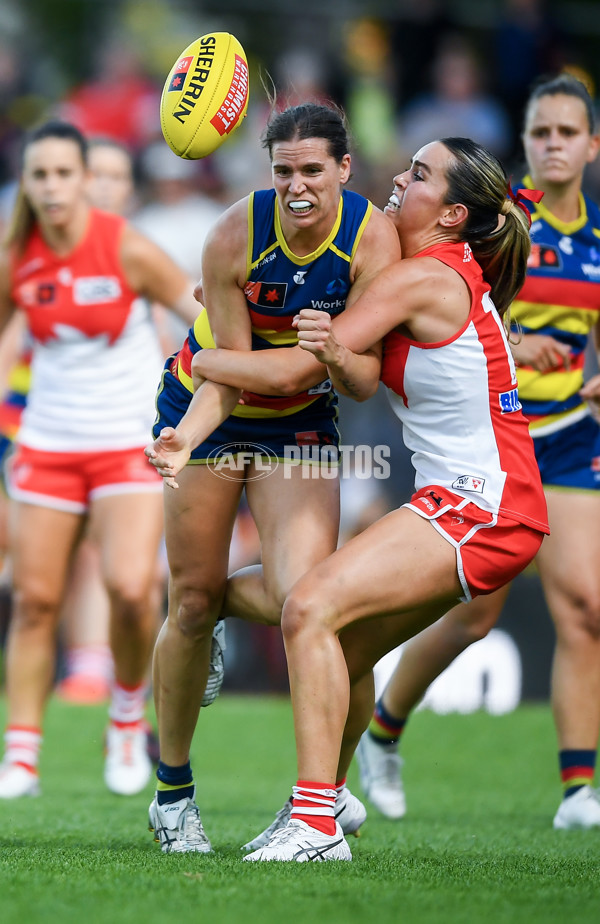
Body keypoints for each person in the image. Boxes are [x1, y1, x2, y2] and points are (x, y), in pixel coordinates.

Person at [241, 135, 549, 862]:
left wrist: (202, 358)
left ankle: (314, 825)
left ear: (448, 215)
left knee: (309, 606)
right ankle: (329, 800)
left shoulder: (423, 277)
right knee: (339, 641)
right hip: (488, 505)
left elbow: (295, 371)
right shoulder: (430, 271)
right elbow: (346, 359)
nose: (400, 179)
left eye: (419, 174)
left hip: (479, 505)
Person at [144, 101, 401, 853]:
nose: (297, 186)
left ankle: (317, 800)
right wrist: (184, 437)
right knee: (187, 603)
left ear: (344, 170)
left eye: (313, 171)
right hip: (211, 409)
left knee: (303, 600)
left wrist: (331, 354)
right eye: (283, 171)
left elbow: (361, 384)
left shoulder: (370, 239)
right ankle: (172, 795)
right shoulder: (232, 235)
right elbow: (224, 376)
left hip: (300, 422)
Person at [354, 73, 600, 832]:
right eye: (541, 131)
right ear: (523, 142)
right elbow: (471, 314)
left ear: (593, 145)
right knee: (473, 617)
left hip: (569, 438)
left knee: (587, 608)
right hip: (492, 436)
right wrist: (528, 345)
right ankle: (385, 730)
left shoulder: (596, 238)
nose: (553, 144)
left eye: (568, 132)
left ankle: (578, 791)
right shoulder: (491, 217)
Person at [0, 119, 200, 799]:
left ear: (87, 180)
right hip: (48, 445)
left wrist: (199, 405)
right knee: (34, 602)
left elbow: (203, 319)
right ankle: (21, 757)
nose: (53, 186)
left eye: (64, 173)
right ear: (25, 183)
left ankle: (124, 715)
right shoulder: (16, 257)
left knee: (130, 589)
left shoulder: (127, 248)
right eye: (40, 174)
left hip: (125, 442)